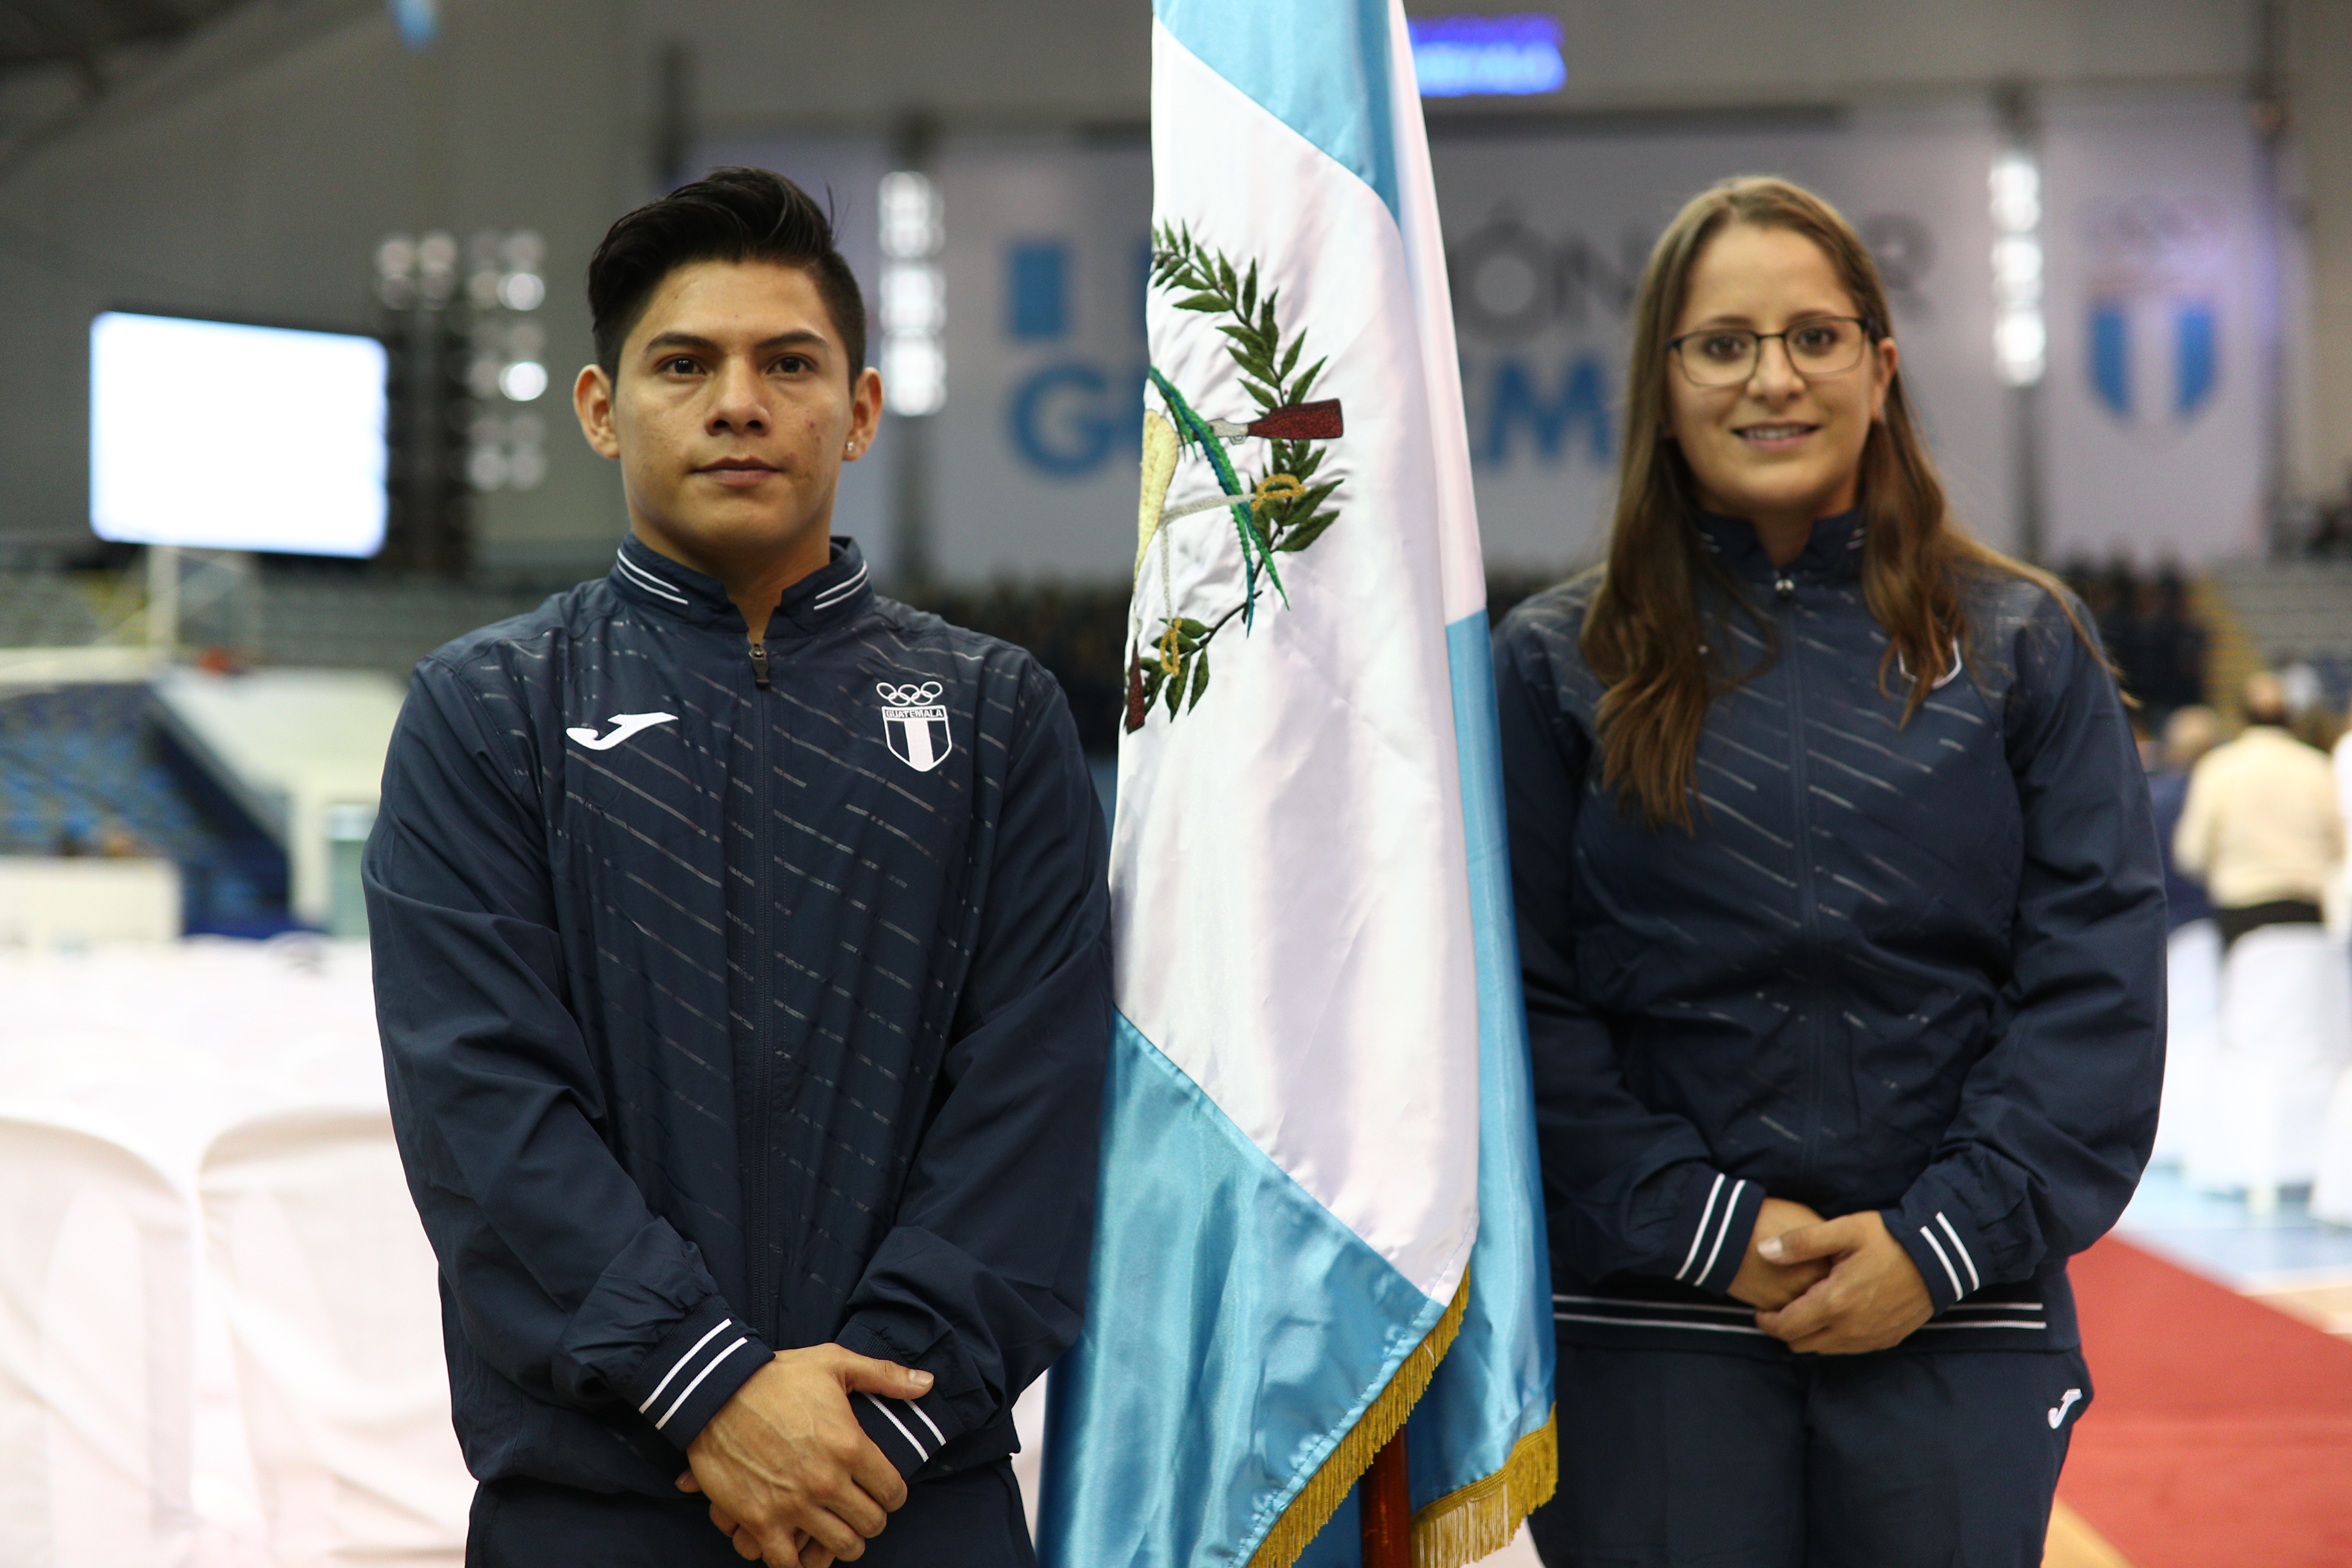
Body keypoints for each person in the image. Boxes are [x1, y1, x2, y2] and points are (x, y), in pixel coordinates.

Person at [363, 168, 1112, 1568]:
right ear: (603, 409)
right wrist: (707, 1386)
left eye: (788, 363)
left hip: (906, 1488)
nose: (739, 403)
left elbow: (1037, 1105)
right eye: (684, 364)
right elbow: (485, 1109)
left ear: (862, 408)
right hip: (598, 1494)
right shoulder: (489, 710)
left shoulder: (1000, 718)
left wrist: (861, 1432)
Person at [1493, 177, 2165, 1567]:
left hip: (1954, 1321)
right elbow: (1516, 1003)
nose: (1772, 379)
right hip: (1655, 1326)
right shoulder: (1558, 663)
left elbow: (2094, 990)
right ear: (1664, 383)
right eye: (1723, 344)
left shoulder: (2026, 644)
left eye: (1813, 336)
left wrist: (1939, 1246)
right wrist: (1701, 1225)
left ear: (1881, 365)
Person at [2174, 671, 2344, 952]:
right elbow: (2340, 849)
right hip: (2303, 911)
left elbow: (2191, 853)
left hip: (2241, 911)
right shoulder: (2316, 767)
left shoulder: (2218, 769)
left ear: (2239, 715)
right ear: (2290, 715)